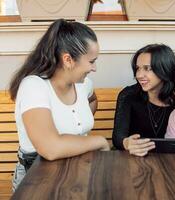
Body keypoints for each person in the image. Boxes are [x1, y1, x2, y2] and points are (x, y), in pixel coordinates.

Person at [9, 19, 110, 191]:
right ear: (68, 59)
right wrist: (99, 141)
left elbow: (92, 100)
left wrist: (76, 123)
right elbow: (50, 148)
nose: (95, 68)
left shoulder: (84, 84)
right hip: (37, 179)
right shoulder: (34, 86)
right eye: (91, 61)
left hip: (77, 174)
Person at [112, 44, 175, 156]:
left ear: (164, 69)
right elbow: (118, 138)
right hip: (134, 159)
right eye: (138, 68)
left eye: (147, 68)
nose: (139, 75)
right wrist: (126, 143)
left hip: (169, 161)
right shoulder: (128, 95)